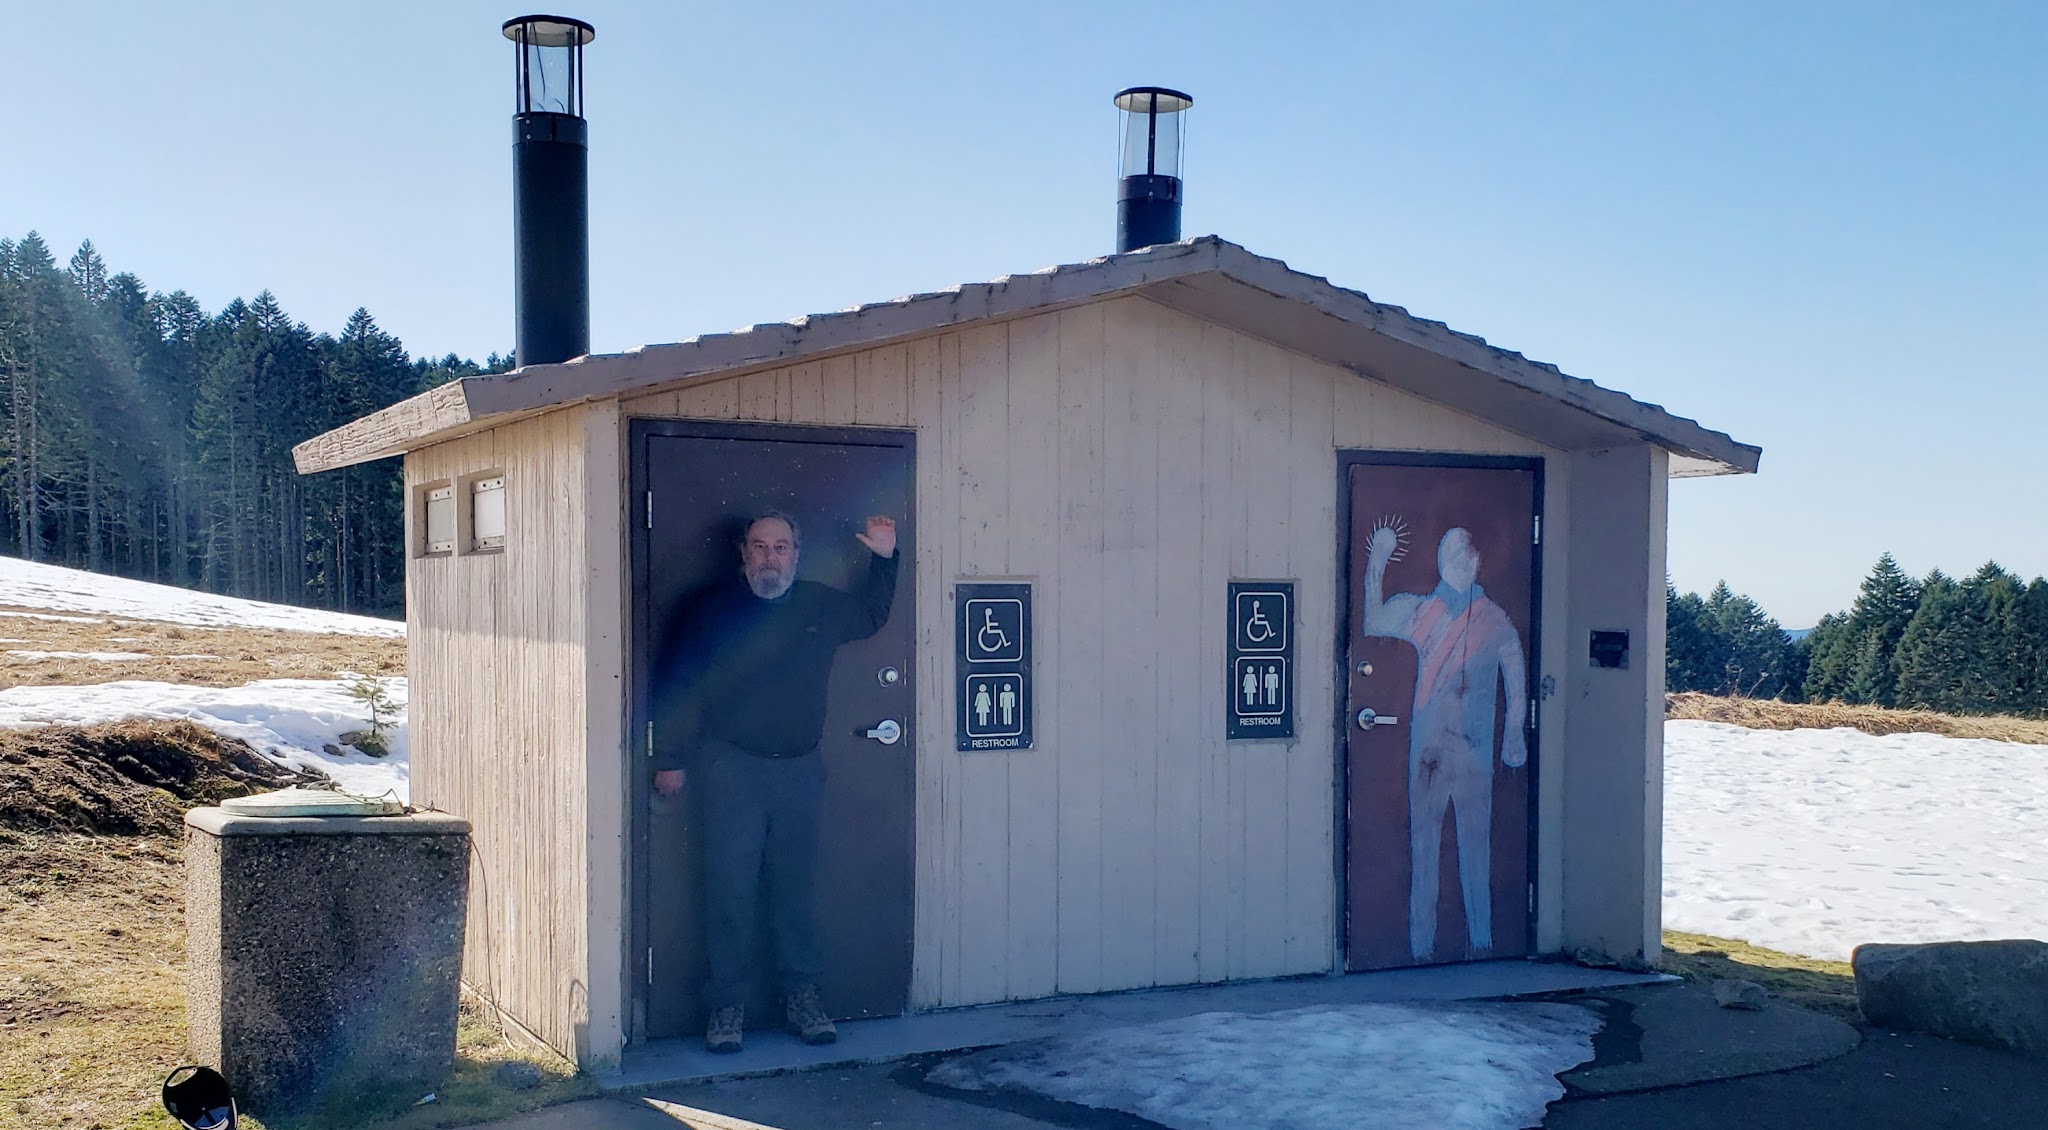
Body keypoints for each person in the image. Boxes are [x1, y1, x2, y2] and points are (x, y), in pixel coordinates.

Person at [651, 509, 899, 1054]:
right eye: (760, 547)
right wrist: (669, 757)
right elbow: (678, 682)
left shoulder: (818, 605)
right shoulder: (711, 611)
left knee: (795, 889)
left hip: (799, 771)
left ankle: (803, 999)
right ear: (744, 553)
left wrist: (883, 558)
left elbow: (869, 618)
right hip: (730, 769)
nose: (770, 557)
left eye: (780, 547)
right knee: (729, 891)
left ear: (795, 553)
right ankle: (726, 1008)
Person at [1360, 525, 1527, 960]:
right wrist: (1377, 562)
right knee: (1424, 849)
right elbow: (1373, 620)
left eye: (1469, 555)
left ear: (1477, 562)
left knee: (1476, 848)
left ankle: (1483, 942)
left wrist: (1514, 733)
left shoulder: (1495, 619)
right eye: (1454, 554)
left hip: (1474, 751)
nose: (1463, 562)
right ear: (1441, 560)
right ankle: (1420, 948)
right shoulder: (1420, 611)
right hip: (1428, 751)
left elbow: (1516, 675)